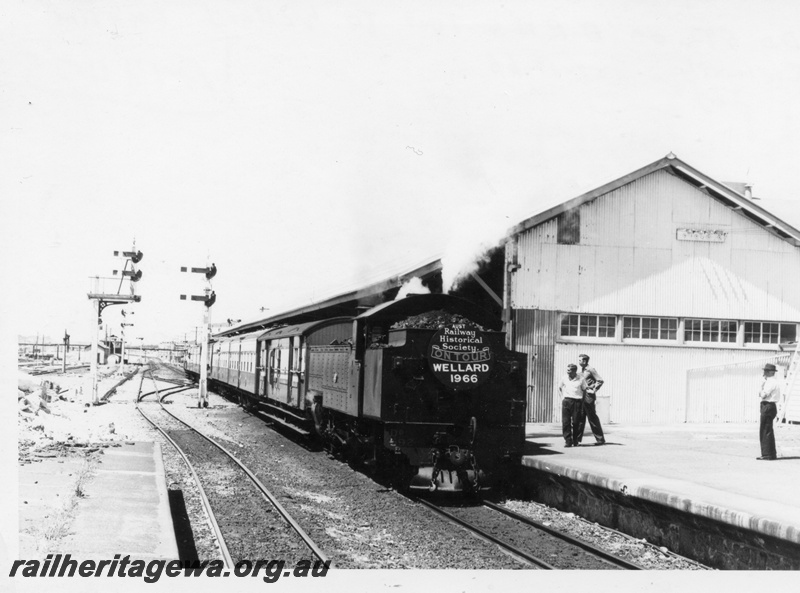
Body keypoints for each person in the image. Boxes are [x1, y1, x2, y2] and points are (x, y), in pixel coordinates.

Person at [577, 354, 606, 446]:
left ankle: (600, 439)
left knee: (592, 417)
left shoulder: (591, 369)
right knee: (580, 417)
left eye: (580, 360)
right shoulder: (582, 370)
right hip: (582, 396)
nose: (579, 362)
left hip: (589, 397)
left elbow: (600, 380)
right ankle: (577, 440)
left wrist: (594, 389)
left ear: (585, 361)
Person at [558, 364, 588, 448]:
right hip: (567, 401)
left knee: (576, 422)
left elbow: (584, 390)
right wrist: (562, 398)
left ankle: (576, 440)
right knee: (566, 422)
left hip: (577, 401)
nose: (567, 372)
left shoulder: (581, 379)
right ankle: (568, 441)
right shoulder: (564, 378)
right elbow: (559, 388)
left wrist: (582, 401)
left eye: (569, 370)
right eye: (567, 370)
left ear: (574, 371)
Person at [757, 363, 782, 460]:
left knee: (765, 430)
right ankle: (770, 453)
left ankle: (767, 454)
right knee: (768, 430)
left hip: (767, 405)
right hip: (770, 406)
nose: (764, 372)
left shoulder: (770, 383)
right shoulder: (773, 382)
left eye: (765, 371)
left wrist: (761, 386)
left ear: (769, 372)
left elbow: (763, 395)